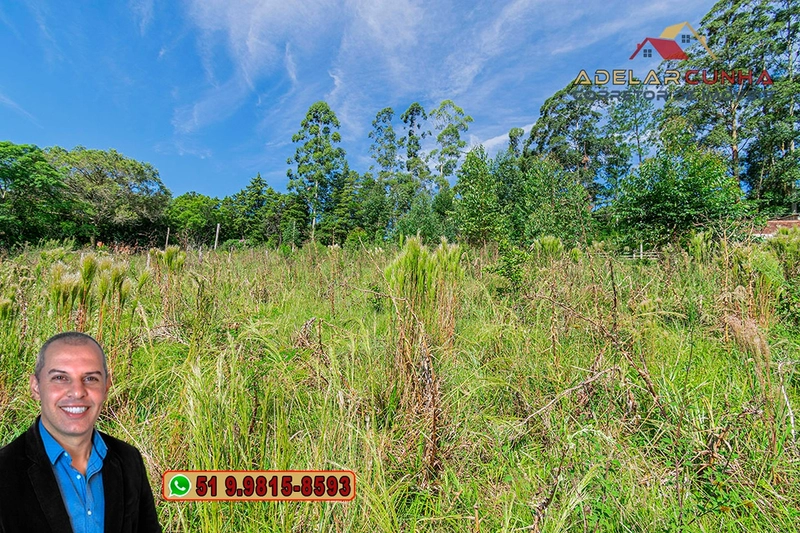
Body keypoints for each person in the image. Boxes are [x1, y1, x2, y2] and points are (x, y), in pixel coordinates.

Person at [0, 332, 161, 533]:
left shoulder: (129, 460)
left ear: (106, 386)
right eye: (60, 378)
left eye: (90, 378)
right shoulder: (4, 471)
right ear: (36, 387)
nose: (77, 392)